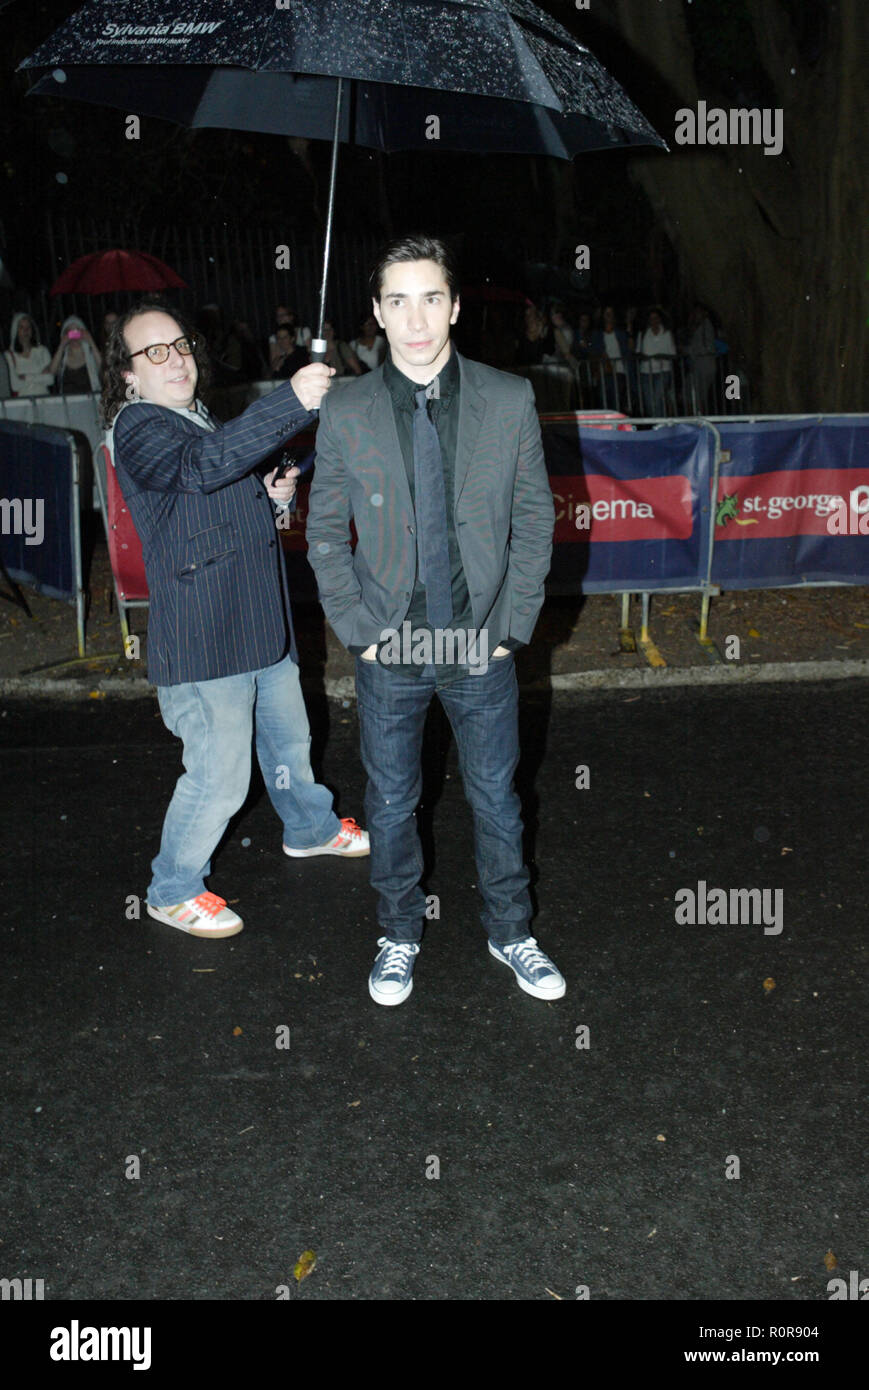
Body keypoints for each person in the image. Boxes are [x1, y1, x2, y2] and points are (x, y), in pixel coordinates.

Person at [307, 233, 564, 1006]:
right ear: (377, 316)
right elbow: (323, 534)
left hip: (481, 643)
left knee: (496, 796)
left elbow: (533, 519)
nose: (414, 318)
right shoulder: (346, 408)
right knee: (389, 802)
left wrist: (512, 629)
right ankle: (397, 934)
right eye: (396, 300)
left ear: (453, 305)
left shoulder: (507, 396)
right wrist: (359, 630)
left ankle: (511, 930)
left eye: (429, 297)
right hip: (391, 646)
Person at [101, 302, 369, 940]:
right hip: (204, 637)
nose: (178, 359)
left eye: (183, 345)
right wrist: (291, 399)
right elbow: (201, 469)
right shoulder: (137, 424)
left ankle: (309, 828)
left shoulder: (196, 418)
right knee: (221, 777)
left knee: (287, 743)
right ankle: (171, 888)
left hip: (255, 622)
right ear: (128, 375)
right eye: (155, 351)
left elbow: (220, 480)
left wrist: (270, 497)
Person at [590, 305, 633, 410]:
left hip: (619, 371)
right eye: (606, 313)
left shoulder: (620, 333)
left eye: (611, 313)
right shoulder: (597, 334)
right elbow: (594, 352)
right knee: (604, 403)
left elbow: (628, 350)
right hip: (604, 372)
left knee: (617, 402)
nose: (609, 316)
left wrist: (630, 331)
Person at [636, 306, 677, 415]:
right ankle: (657, 424)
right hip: (646, 371)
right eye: (651, 318)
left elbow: (673, 354)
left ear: (660, 319)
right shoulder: (643, 333)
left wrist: (662, 356)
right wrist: (643, 356)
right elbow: (638, 352)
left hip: (663, 371)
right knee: (649, 402)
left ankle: (661, 424)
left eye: (656, 318)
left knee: (657, 399)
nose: (653, 321)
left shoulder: (667, 333)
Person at [49, 315, 102, 394]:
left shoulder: (90, 353)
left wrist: (91, 341)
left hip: (90, 400)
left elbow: (103, 368)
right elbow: (52, 371)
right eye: (70, 332)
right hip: (68, 401)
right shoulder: (63, 356)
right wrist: (62, 345)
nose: (74, 335)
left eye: (77, 331)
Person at [5, 313, 53, 396]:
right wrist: (40, 377)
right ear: (15, 331)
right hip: (22, 403)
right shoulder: (9, 355)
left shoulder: (42, 351)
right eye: (21, 327)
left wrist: (26, 377)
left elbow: (50, 379)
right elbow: (15, 385)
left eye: (28, 327)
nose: (26, 330)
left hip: (44, 400)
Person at [515, 301, 555, 366]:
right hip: (522, 368)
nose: (529, 318)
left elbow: (549, 351)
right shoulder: (521, 335)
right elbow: (518, 356)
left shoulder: (543, 334)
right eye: (527, 315)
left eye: (531, 314)